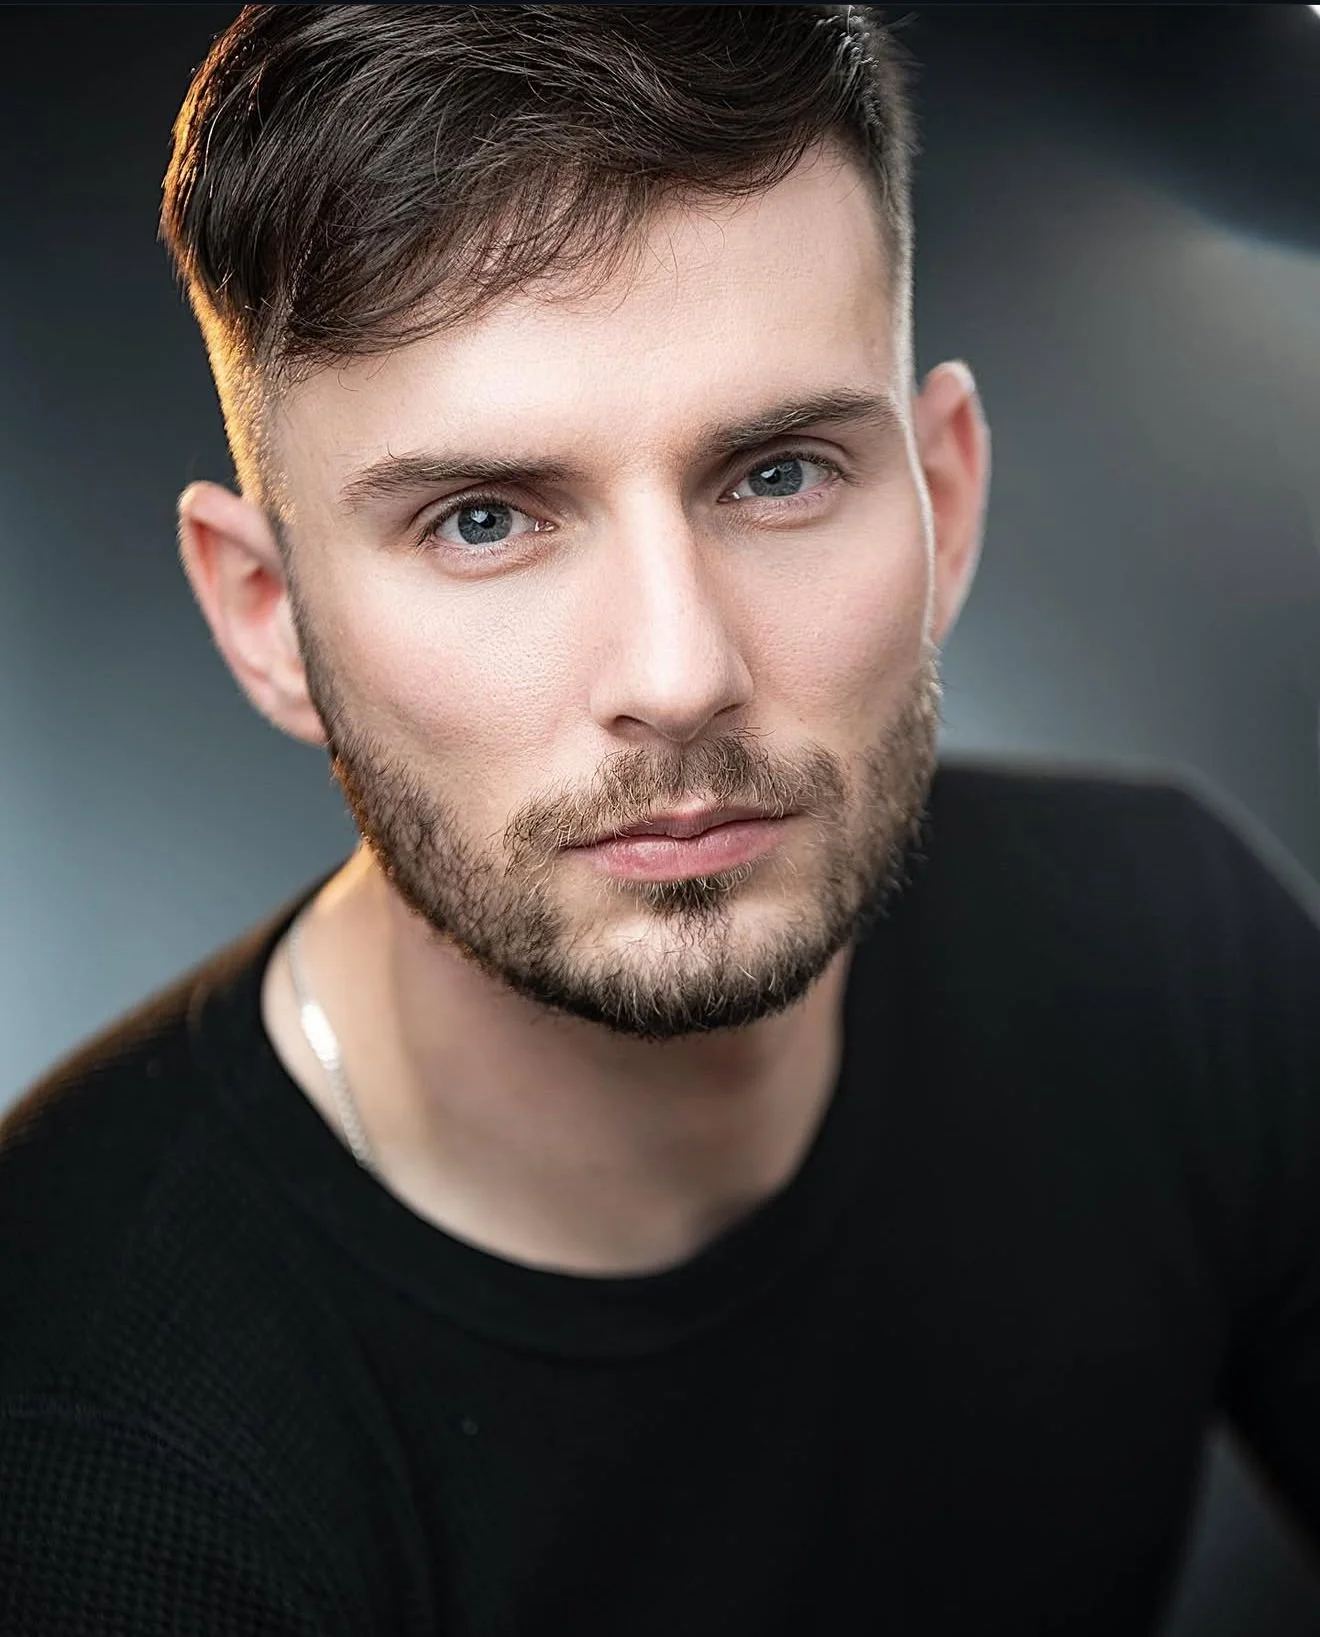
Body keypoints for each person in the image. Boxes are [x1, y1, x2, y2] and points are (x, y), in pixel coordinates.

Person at [2, 4, 1318, 1632]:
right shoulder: (89, 1442)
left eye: (776, 475)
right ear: (270, 618)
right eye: (484, 519)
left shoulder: (1165, 950)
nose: (680, 674)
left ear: (946, 501)